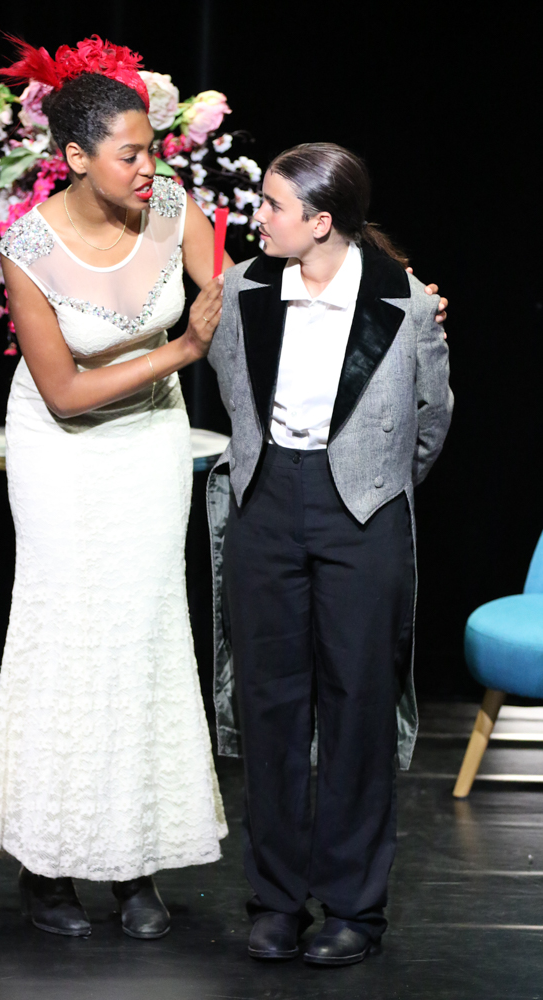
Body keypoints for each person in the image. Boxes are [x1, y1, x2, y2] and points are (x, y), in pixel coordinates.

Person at [0, 42, 228, 941]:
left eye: (152, 148)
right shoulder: (27, 249)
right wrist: (180, 351)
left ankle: (134, 862)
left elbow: (239, 300)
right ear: (76, 158)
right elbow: (65, 392)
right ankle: (45, 865)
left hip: (149, 442)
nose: (149, 166)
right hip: (65, 451)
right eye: (130, 154)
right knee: (67, 639)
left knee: (142, 635)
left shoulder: (173, 208)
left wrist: (387, 295)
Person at [207, 142, 453, 966]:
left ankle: (353, 907)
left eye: (272, 206)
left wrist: (373, 482)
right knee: (270, 705)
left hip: (361, 509)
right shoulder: (243, 288)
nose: (257, 217)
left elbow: (429, 418)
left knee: (357, 705)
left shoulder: (403, 301)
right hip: (266, 501)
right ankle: (276, 900)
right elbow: (229, 384)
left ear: (319, 222)